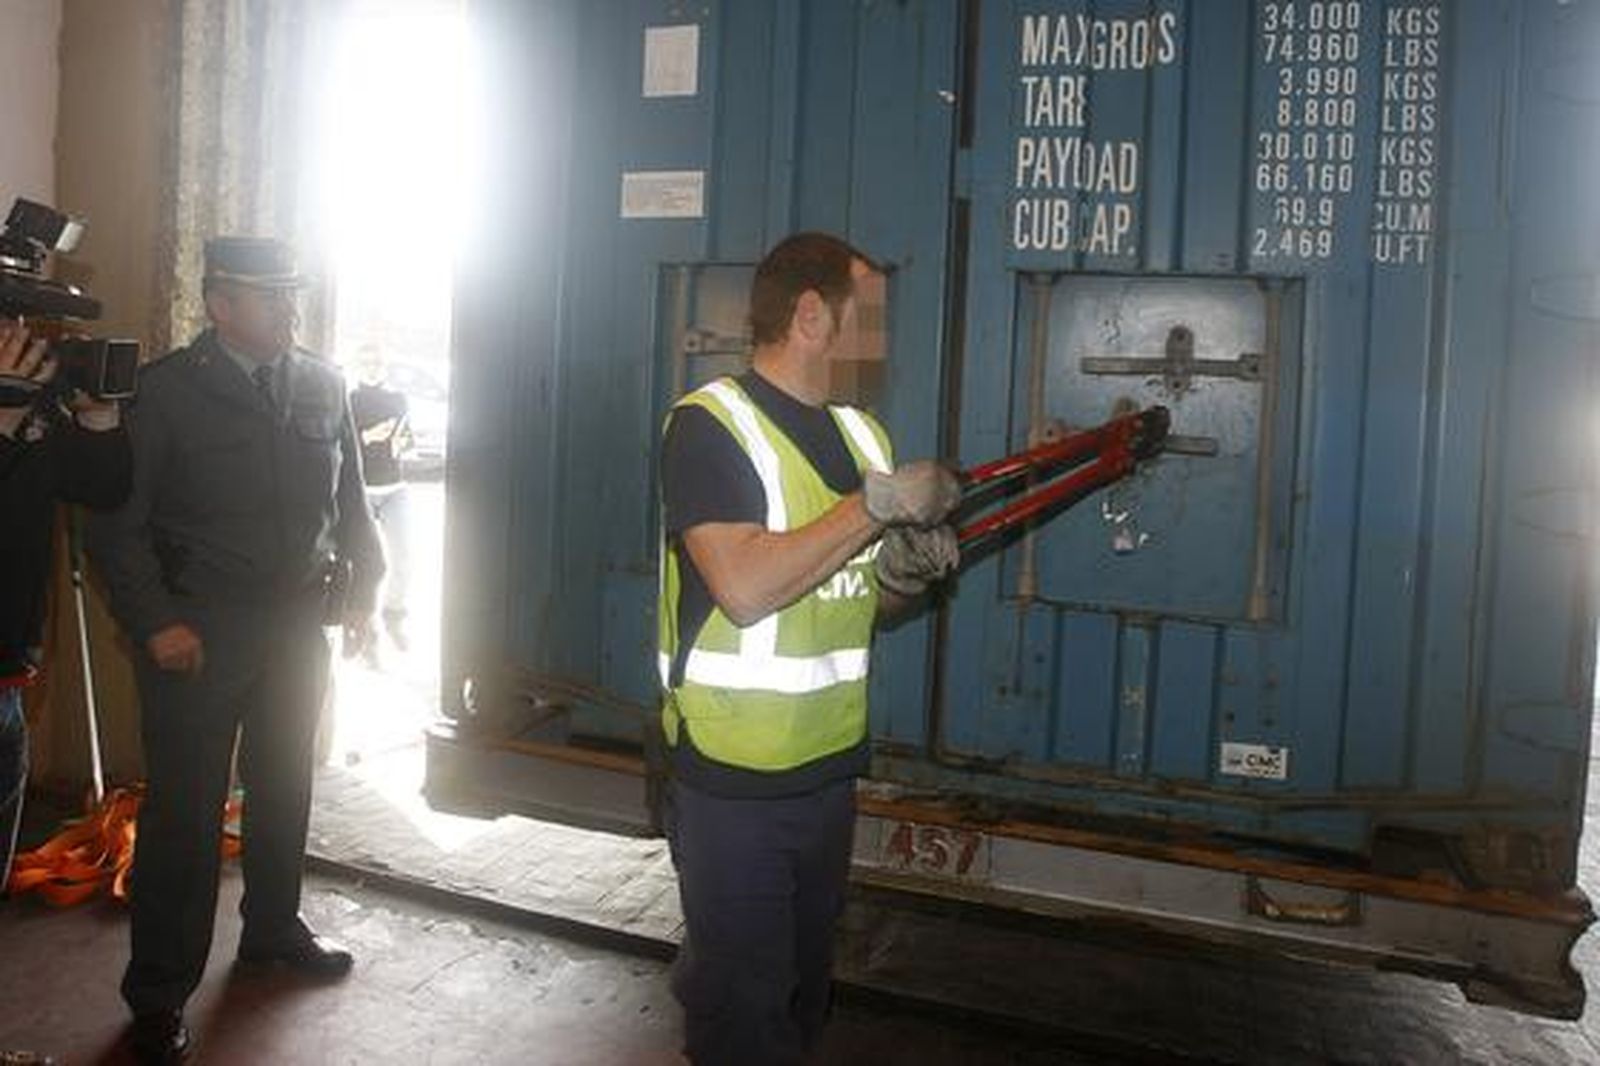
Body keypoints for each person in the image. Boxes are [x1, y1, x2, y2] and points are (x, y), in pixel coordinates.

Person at [657, 231, 962, 1065]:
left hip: (826, 771)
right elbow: (747, 589)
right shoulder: (711, 425)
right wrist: (875, 514)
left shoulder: (864, 438)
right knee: (741, 1017)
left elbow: (859, 604)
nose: (882, 342)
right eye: (871, 319)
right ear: (811, 315)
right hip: (732, 784)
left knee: (800, 997)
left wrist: (908, 574)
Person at [87, 237, 383, 1065]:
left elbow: (352, 501)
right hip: (199, 632)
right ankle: (157, 995)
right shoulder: (165, 395)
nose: (289, 308)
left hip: (296, 626)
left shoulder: (323, 383)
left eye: (291, 293)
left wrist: (363, 593)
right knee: (184, 816)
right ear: (220, 305)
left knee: (285, 786)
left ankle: (273, 929)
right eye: (268, 296)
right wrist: (153, 622)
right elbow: (116, 527)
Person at [1, 318, 131, 889]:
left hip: (8, 674)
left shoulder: (28, 398)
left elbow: (101, 489)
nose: (20, 334)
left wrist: (98, 414)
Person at [347, 343, 411, 658]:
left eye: (378, 361)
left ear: (386, 364)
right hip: (363, 489)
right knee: (369, 563)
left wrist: (401, 442)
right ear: (359, 363)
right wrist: (366, 438)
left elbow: (406, 437)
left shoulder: (398, 399)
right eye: (367, 360)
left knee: (404, 558)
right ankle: (366, 630)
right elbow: (340, 442)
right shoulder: (350, 400)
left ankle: (394, 614)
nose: (372, 366)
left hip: (395, 487)